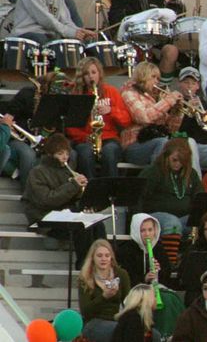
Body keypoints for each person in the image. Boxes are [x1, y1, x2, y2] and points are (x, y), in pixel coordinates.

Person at [22, 133, 99, 267]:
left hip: (65, 215)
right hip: (45, 219)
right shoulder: (37, 172)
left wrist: (83, 192)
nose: (65, 157)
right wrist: (73, 185)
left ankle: (101, 264)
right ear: (50, 154)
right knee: (81, 226)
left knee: (96, 223)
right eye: (60, 154)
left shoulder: (68, 171)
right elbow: (47, 200)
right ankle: (83, 265)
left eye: (67, 153)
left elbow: (71, 199)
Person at [124, 0, 186, 86]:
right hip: (142, 42)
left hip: (167, 45)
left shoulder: (179, 2)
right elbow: (130, 23)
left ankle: (162, 88)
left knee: (172, 50)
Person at [139, 138, 204, 265]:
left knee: (205, 222)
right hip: (156, 217)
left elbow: (200, 197)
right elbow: (139, 196)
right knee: (172, 223)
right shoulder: (153, 172)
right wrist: (139, 220)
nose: (178, 164)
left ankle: (192, 262)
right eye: (174, 160)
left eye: (182, 161)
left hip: (184, 218)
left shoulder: (191, 174)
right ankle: (170, 264)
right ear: (166, 156)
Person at [66, 57, 132, 179]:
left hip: (109, 138)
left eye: (93, 72)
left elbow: (126, 120)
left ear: (99, 73)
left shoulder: (111, 91)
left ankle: (110, 187)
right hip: (85, 139)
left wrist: (111, 110)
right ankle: (89, 187)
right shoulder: (77, 95)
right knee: (85, 154)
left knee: (110, 152)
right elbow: (70, 126)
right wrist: (84, 137)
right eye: (86, 74)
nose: (91, 77)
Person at [120, 61, 183, 165]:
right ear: (142, 76)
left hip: (155, 140)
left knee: (186, 144)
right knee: (163, 143)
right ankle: (156, 175)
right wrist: (168, 101)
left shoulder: (153, 98)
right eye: (153, 77)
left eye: (158, 78)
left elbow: (172, 129)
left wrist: (176, 112)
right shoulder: (129, 93)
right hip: (134, 145)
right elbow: (144, 117)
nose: (156, 81)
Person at [79, 239, 131, 342]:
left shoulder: (121, 274)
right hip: (93, 322)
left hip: (115, 320)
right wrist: (104, 297)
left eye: (107, 255)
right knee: (120, 331)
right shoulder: (85, 277)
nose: (103, 259)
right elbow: (85, 311)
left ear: (111, 257)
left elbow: (128, 303)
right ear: (92, 258)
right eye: (99, 256)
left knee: (152, 334)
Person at [174, 66, 207, 170]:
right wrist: (188, 110)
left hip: (202, 146)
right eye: (186, 82)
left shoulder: (205, 105)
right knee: (191, 145)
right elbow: (177, 130)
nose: (189, 86)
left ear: (198, 86)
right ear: (179, 83)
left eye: (193, 83)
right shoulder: (174, 103)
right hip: (182, 146)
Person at [116, 213, 172, 288]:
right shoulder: (126, 250)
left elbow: (167, 274)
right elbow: (125, 278)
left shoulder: (159, 248)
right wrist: (144, 278)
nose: (147, 234)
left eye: (150, 230)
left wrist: (158, 273)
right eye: (142, 230)